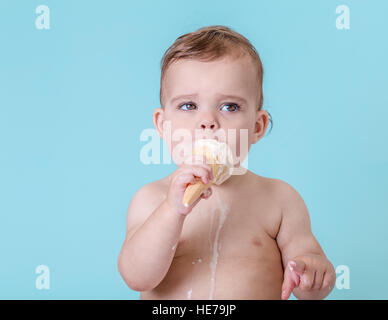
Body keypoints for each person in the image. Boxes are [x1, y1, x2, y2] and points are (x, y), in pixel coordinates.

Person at [118, 25, 336, 300]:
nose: (208, 121)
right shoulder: (151, 200)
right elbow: (137, 277)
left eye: (229, 107)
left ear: (257, 127)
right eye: (189, 106)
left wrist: (312, 275)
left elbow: (308, 281)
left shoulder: (279, 200)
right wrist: (172, 211)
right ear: (163, 125)